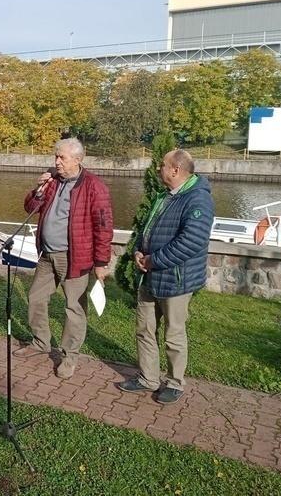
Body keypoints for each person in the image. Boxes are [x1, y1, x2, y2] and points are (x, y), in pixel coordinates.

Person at [116, 149, 214, 405]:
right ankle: (148, 378)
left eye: (162, 165)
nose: (157, 169)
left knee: (174, 333)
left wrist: (154, 260)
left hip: (176, 280)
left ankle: (174, 383)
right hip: (150, 277)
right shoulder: (166, 196)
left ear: (176, 170)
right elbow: (145, 229)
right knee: (145, 329)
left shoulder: (197, 199)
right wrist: (138, 251)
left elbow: (191, 242)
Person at [13, 138, 114, 380]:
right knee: (35, 297)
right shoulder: (52, 181)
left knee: (74, 308)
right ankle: (41, 342)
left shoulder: (94, 187)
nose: (57, 162)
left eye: (62, 158)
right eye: (56, 157)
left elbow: (103, 227)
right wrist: (39, 188)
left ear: (77, 160)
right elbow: (30, 207)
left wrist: (101, 263)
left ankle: (69, 357)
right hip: (47, 254)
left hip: (75, 257)